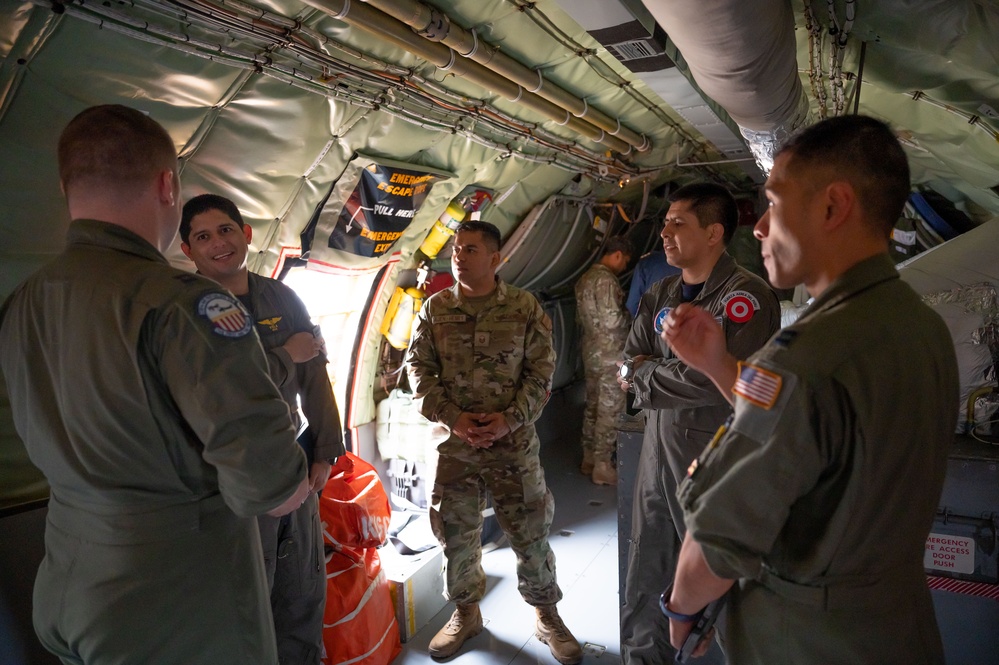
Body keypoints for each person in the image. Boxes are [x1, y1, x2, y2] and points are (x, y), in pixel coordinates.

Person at [0, 104, 310, 665]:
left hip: (65, 580)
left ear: (67, 185)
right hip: (176, 599)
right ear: (167, 184)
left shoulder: (24, 301)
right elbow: (271, 486)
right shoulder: (184, 304)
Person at [662, 115, 959, 664]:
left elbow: (716, 542)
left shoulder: (806, 358)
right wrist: (719, 364)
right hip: (895, 630)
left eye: (774, 202)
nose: (758, 227)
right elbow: (820, 444)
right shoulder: (920, 326)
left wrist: (681, 611)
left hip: (807, 641)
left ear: (831, 207)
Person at [404, 221, 582, 664]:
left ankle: (546, 614)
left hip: (513, 444)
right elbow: (417, 371)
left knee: (530, 531)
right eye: (455, 249)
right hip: (454, 446)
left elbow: (542, 374)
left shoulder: (524, 307)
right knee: (457, 536)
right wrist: (454, 418)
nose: (459, 256)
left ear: (495, 258)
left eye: (470, 249)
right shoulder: (435, 308)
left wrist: (510, 420)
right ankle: (466, 614)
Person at [180, 193, 345, 665]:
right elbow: (215, 393)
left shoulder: (281, 298)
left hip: (294, 466)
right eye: (203, 237)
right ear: (188, 251)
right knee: (246, 605)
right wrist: (282, 356)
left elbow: (316, 378)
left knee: (302, 593)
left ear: (247, 233)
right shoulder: (185, 310)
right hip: (230, 483)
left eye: (226, 230)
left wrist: (324, 455)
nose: (219, 244)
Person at [618, 182, 779, 664]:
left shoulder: (746, 297)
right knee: (647, 574)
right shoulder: (660, 291)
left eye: (678, 223)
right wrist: (645, 371)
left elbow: (717, 380)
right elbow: (627, 362)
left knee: (722, 584)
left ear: (713, 233)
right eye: (665, 222)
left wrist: (646, 373)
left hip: (713, 458)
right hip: (656, 452)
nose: (664, 233)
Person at [575, 236, 633, 485]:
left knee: (593, 406)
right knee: (611, 410)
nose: (624, 267)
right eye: (625, 261)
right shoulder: (606, 280)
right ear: (618, 255)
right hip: (611, 355)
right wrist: (630, 321)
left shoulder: (584, 278)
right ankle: (603, 466)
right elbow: (612, 321)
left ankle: (588, 458)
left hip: (591, 351)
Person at [625, 249, 681, 317]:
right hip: (685, 323)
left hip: (650, 323)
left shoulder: (647, 263)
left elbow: (632, 305)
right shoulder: (692, 262)